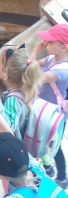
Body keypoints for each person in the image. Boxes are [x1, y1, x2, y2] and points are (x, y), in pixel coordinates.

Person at [31, 23, 68, 189]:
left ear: (63, 47)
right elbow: (32, 66)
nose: (45, 42)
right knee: (45, 142)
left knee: (54, 145)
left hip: (54, 114)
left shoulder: (62, 70)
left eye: (49, 41)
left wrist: (34, 51)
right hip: (45, 108)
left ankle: (61, 176)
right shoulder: (52, 58)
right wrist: (38, 54)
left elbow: (30, 75)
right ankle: (49, 170)